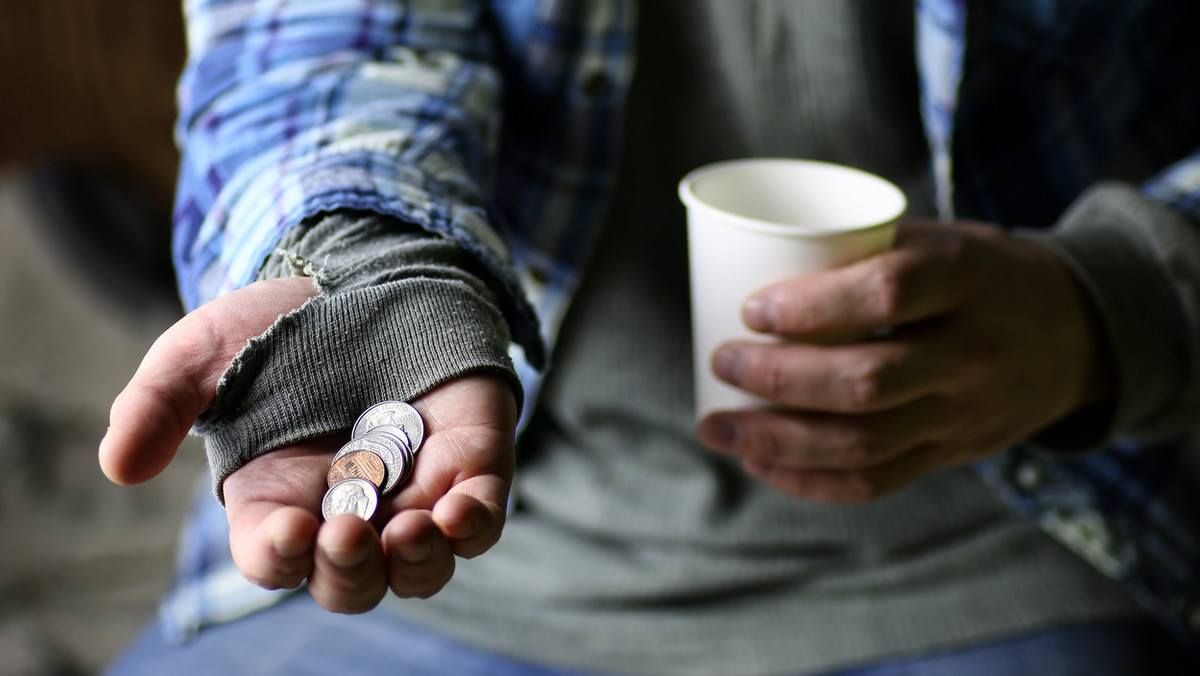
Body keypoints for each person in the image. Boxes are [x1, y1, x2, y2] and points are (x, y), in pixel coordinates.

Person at [100, 1, 1200, 674]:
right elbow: (318, 45)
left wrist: (1115, 305)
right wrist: (371, 265)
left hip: (1020, 548)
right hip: (467, 544)